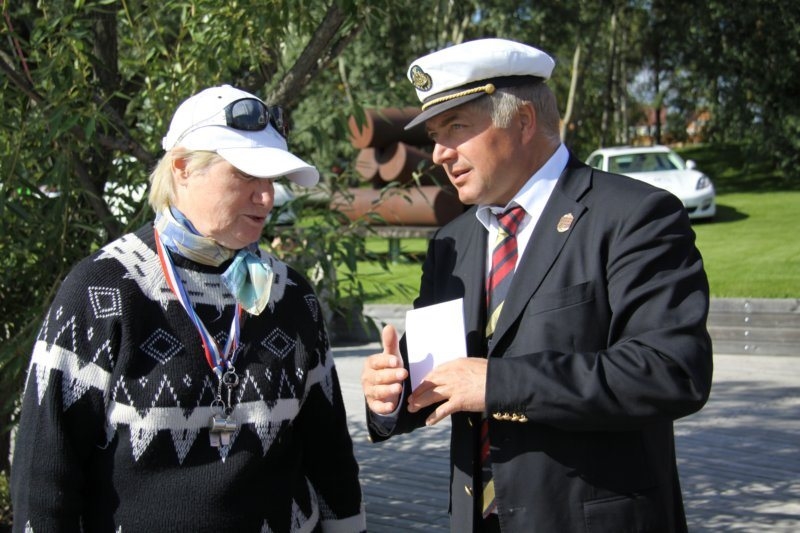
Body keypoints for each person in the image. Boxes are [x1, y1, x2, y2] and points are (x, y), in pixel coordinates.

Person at [361, 38, 713, 532]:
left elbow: (671, 371)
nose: (439, 153)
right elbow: (443, 379)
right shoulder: (452, 242)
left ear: (523, 121)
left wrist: (499, 384)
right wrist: (391, 396)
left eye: (456, 127)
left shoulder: (634, 216)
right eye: (435, 135)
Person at [11, 85, 366, 533]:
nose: (266, 197)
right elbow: (44, 474)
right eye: (246, 175)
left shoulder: (292, 295)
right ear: (182, 169)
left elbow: (330, 455)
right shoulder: (102, 290)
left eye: (271, 180)